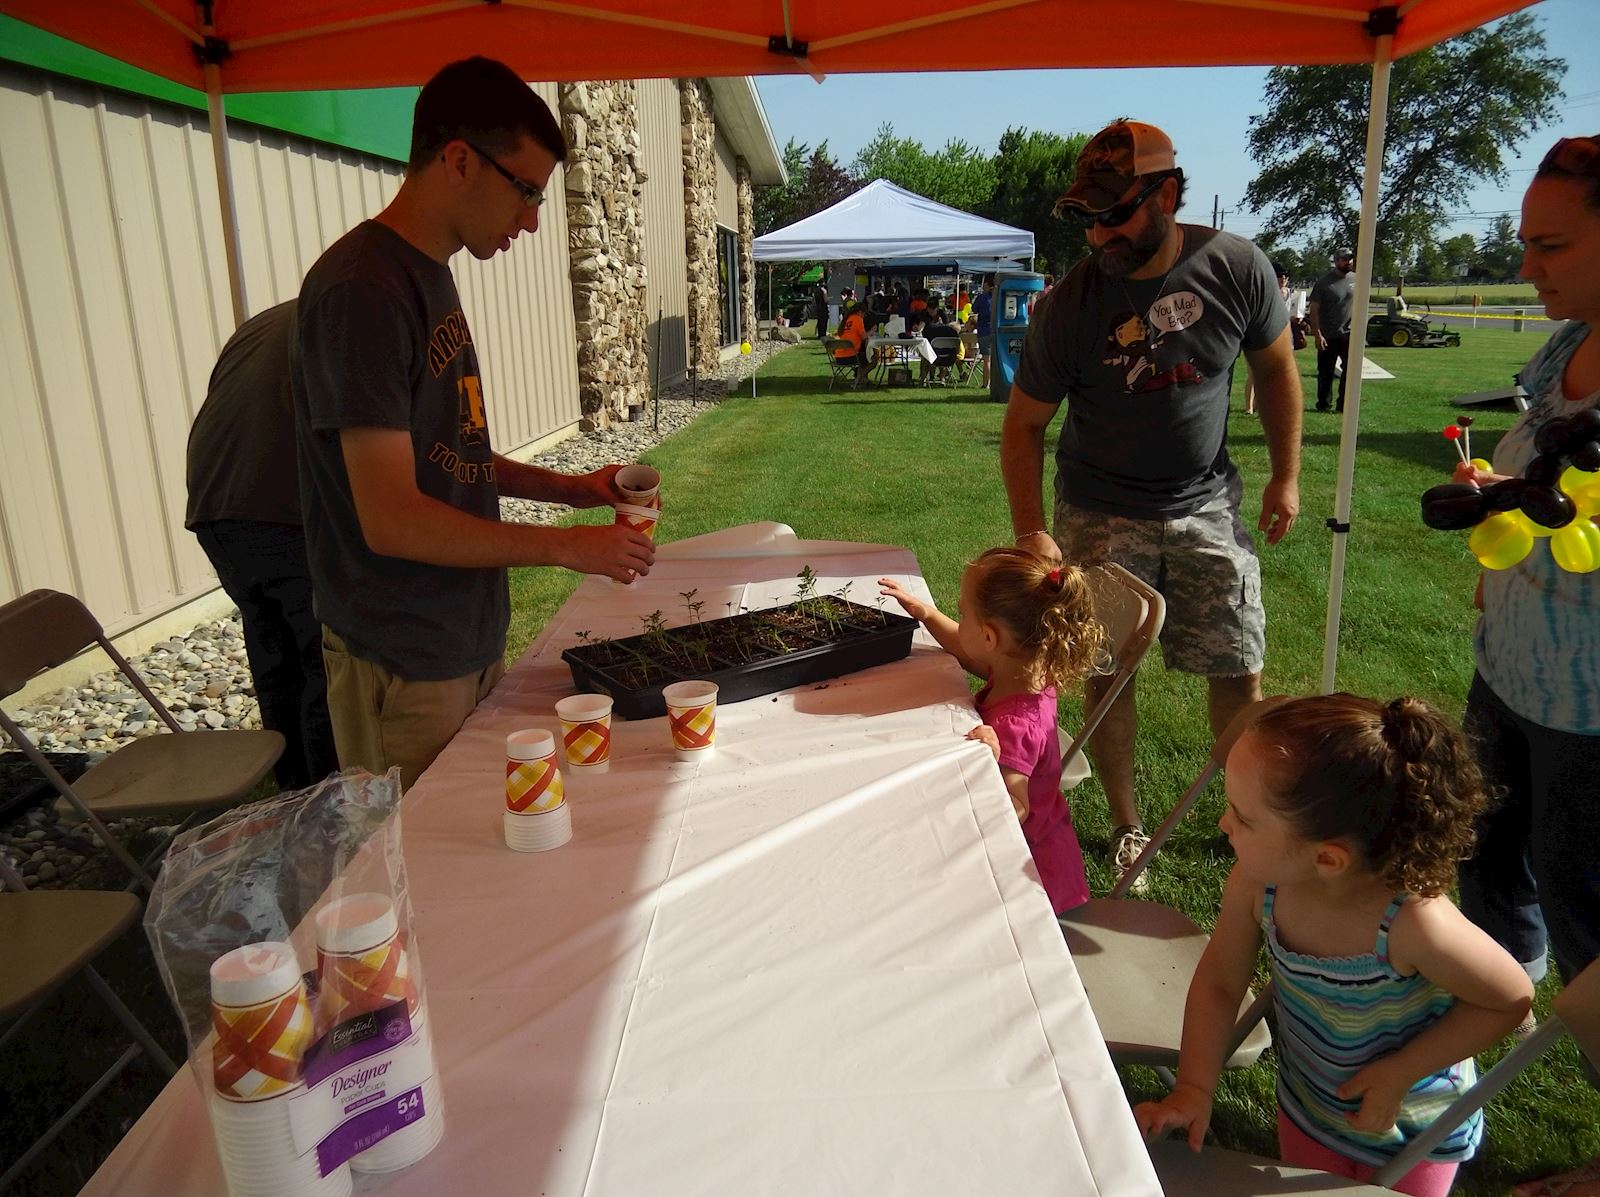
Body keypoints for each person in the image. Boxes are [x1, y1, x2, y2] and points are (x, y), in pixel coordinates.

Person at [291, 58, 656, 790]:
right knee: (423, 876)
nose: (532, 218)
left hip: (461, 639)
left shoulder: (427, 272)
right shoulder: (363, 288)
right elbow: (392, 519)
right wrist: (565, 549)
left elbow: (452, 456)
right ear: (459, 160)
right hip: (404, 658)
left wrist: (571, 489)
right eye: (526, 191)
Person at [1001, 119, 1302, 891]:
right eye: (1089, 216)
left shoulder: (1236, 268)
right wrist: (1033, 531)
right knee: (1105, 674)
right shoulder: (1069, 306)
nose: (1100, 231)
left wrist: (1286, 475)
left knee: (1238, 665)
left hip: (1207, 502)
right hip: (1099, 510)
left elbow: (1276, 371)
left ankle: (1249, 823)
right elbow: (1026, 425)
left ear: (1167, 193)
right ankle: (1127, 823)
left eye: (1118, 211)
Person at [1134, 694, 1533, 1197]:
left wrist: (1401, 1072)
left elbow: (1510, 997)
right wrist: (1193, 1087)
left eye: (1243, 817)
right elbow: (1220, 981)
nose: (1223, 823)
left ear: (1327, 859)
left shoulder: (1414, 923)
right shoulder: (1257, 882)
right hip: (1309, 1109)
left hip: (1414, 1133)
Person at [1446, 133, 1600, 1197]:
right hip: (1508, 665)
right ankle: (1489, 1020)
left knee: (1592, 915)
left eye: (1548, 245)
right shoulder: (1564, 347)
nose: (1527, 267)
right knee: (1490, 858)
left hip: (1591, 707)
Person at [878, 549, 1107, 915]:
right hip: (1049, 841)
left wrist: (993, 756)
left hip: (1028, 874)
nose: (960, 619)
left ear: (990, 637)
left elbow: (1015, 809)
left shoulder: (1012, 727)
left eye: (964, 613)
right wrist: (927, 615)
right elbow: (970, 653)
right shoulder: (1028, 671)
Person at [185, 300, 337, 791]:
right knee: (324, 662)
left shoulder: (268, 322)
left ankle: (290, 790)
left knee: (275, 651)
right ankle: (323, 800)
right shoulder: (351, 319)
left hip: (214, 509)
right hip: (280, 507)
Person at [1307, 247, 1356, 413]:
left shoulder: (1356, 279)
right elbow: (1313, 310)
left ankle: (1343, 404)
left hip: (1349, 334)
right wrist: (1317, 334)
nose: (1348, 262)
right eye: (1344, 259)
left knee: (1350, 370)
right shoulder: (1324, 283)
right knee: (1326, 372)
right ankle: (1323, 403)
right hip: (1328, 334)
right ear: (1335, 261)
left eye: (1350, 258)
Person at [1242, 261, 1294, 416]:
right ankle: (1249, 405)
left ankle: (1261, 403)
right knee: (1254, 372)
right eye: (1279, 276)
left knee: (1273, 373)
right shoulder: (1264, 292)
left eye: (1285, 276)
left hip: (1282, 335)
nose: (1283, 279)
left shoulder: (1289, 293)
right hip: (1260, 334)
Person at [832, 299, 871, 388]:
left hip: (839, 356)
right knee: (871, 359)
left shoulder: (847, 319)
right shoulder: (858, 319)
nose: (864, 316)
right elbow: (864, 337)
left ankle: (861, 379)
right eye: (864, 314)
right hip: (850, 356)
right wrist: (871, 331)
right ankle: (859, 380)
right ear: (860, 312)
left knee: (863, 357)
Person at [971, 274, 995, 389]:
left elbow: (974, 309)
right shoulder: (999, 296)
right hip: (996, 331)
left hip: (984, 330)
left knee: (987, 360)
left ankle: (986, 384)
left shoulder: (982, 297)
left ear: (986, 284)